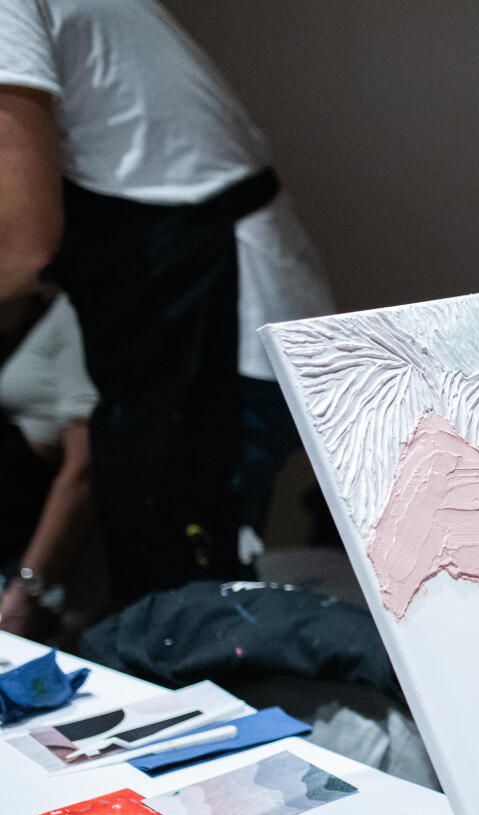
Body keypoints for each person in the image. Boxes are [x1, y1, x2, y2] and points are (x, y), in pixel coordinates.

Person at [0, 0, 334, 606]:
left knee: (190, 611)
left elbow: (22, 243)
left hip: (218, 320)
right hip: (176, 312)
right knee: (166, 601)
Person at [0, 288, 98, 640]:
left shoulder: (68, 314)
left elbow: (82, 471)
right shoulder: (15, 314)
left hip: (19, 515)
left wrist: (26, 588)